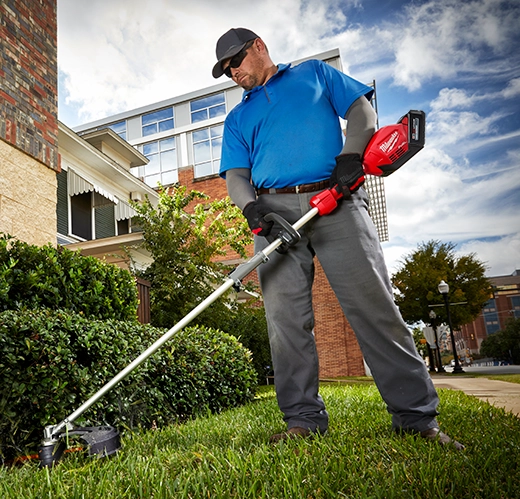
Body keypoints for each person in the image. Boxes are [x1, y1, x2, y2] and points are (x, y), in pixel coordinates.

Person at [212, 27, 463, 449]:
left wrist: (350, 157)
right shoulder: (238, 118)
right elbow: (237, 176)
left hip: (337, 200)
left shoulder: (313, 74)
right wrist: (253, 210)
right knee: (286, 324)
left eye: (236, 61)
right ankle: (303, 420)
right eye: (225, 70)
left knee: (374, 306)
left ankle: (416, 418)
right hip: (275, 216)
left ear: (258, 46)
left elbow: (362, 112)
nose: (233, 72)